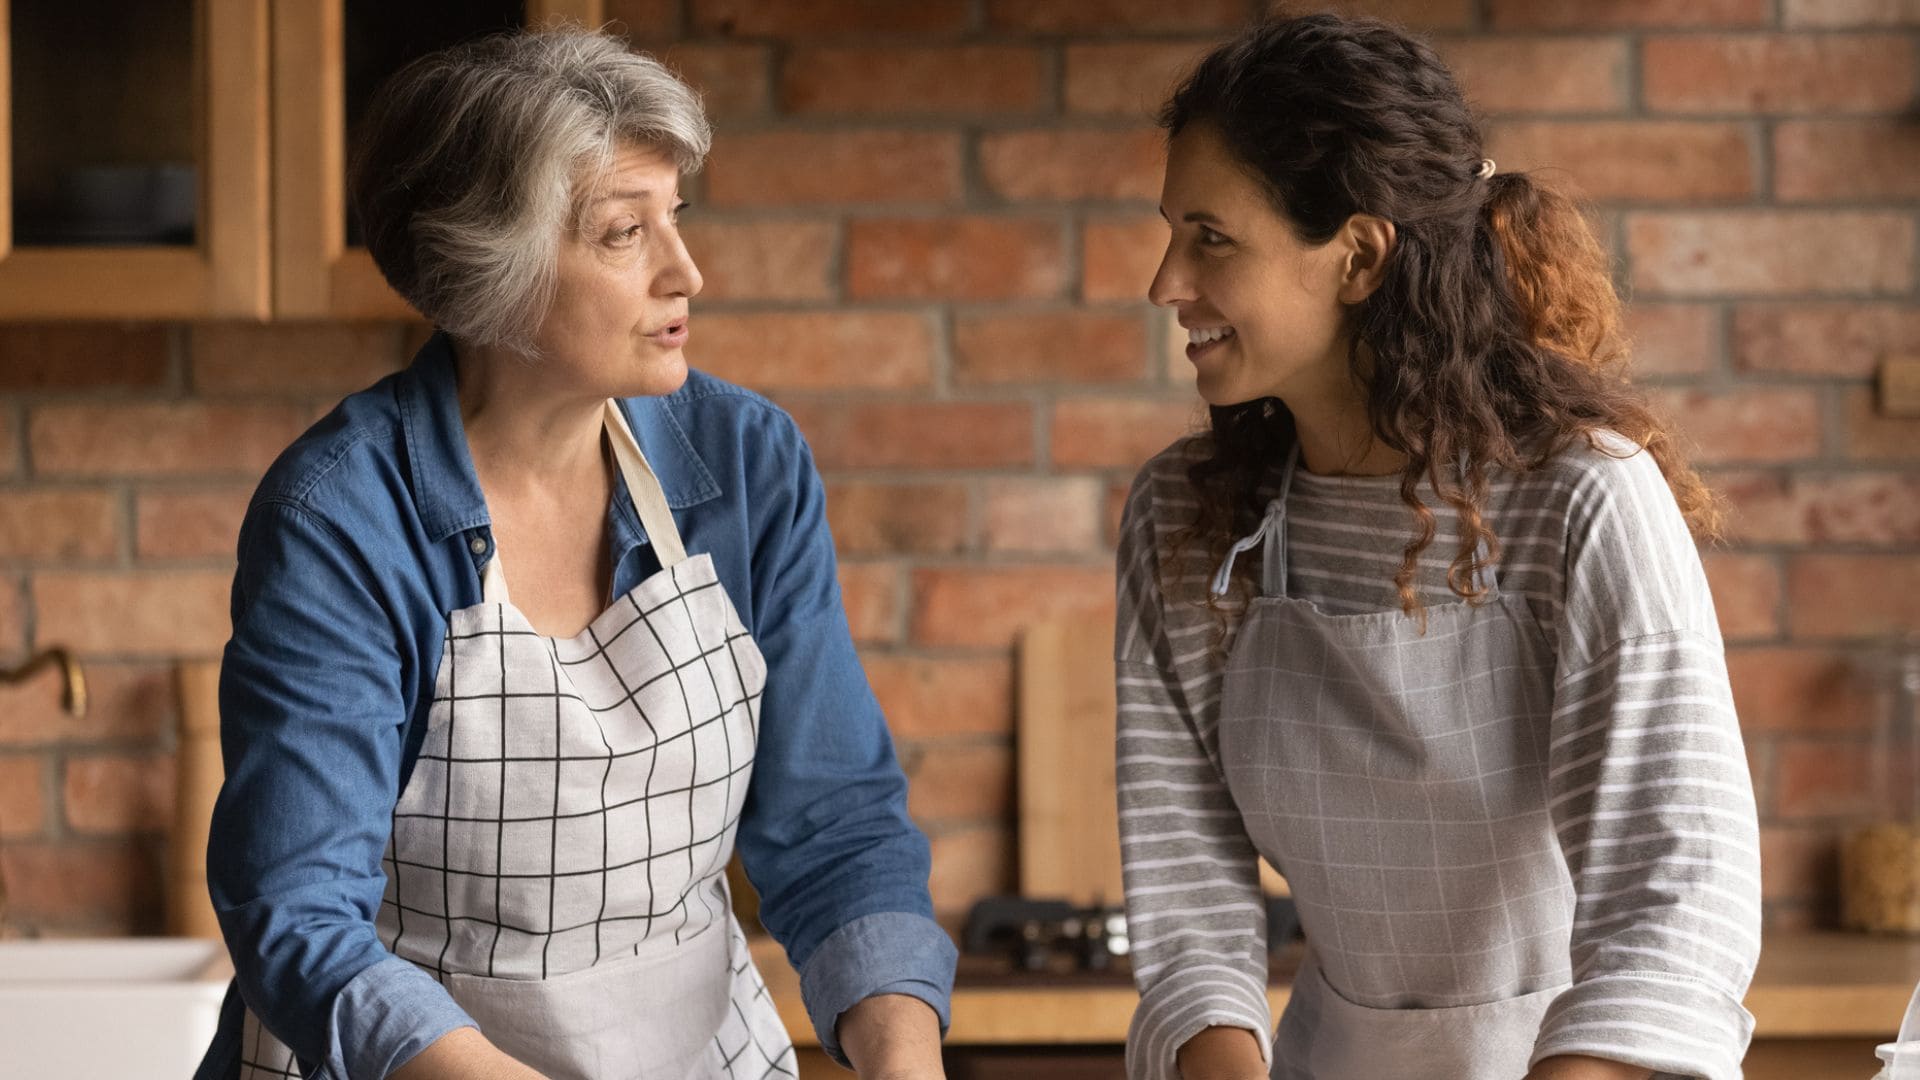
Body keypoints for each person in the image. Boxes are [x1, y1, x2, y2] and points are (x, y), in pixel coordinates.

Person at [194, 27, 954, 1080]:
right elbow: (296, 912)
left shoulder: (746, 465)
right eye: (620, 234)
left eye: (675, 218)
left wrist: (904, 1065)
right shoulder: (343, 518)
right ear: (488, 270)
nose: (685, 271)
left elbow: (835, 829)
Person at [1115, 14, 1759, 1080]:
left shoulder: (1583, 505)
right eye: (1172, 232)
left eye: (1211, 238)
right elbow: (1192, 910)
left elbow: (1678, 902)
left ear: (1359, 256)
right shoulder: (1186, 519)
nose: (1165, 282)